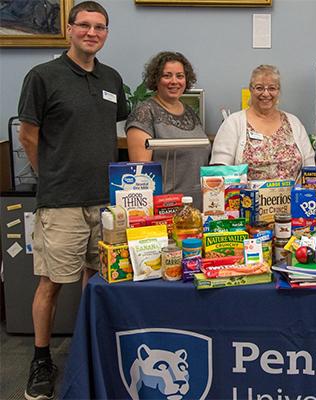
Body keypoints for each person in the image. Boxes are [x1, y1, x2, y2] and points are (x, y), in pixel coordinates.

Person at [17, 2, 128, 399]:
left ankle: (88, 346)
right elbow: (28, 134)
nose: (92, 32)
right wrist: (50, 176)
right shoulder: (43, 76)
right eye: (84, 25)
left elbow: (111, 133)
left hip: (105, 201)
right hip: (61, 200)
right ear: (69, 29)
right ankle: (40, 359)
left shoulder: (112, 79)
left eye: (100, 27)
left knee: (96, 278)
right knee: (52, 281)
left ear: (106, 33)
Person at [126, 51, 211, 207]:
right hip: (164, 207)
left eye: (180, 76)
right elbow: (141, 177)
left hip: (197, 204)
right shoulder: (145, 112)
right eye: (167, 76)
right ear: (156, 79)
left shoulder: (191, 113)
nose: (174, 81)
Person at [211, 64, 315, 180]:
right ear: (251, 89)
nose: (266, 94)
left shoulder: (294, 123)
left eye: (272, 88)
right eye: (259, 88)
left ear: (278, 91)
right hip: (246, 197)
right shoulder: (233, 123)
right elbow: (219, 169)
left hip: (293, 196)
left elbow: (310, 167)